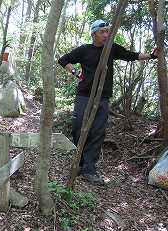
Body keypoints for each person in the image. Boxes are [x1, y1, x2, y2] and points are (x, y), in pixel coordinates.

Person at [58, 19, 158, 184]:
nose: (105, 35)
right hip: (84, 96)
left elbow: (130, 55)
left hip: (103, 98)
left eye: (107, 32)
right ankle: (79, 164)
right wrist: (77, 73)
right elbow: (63, 60)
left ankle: (89, 169)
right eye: (102, 32)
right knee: (78, 128)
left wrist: (152, 56)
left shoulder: (111, 48)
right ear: (94, 34)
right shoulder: (84, 50)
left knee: (97, 132)